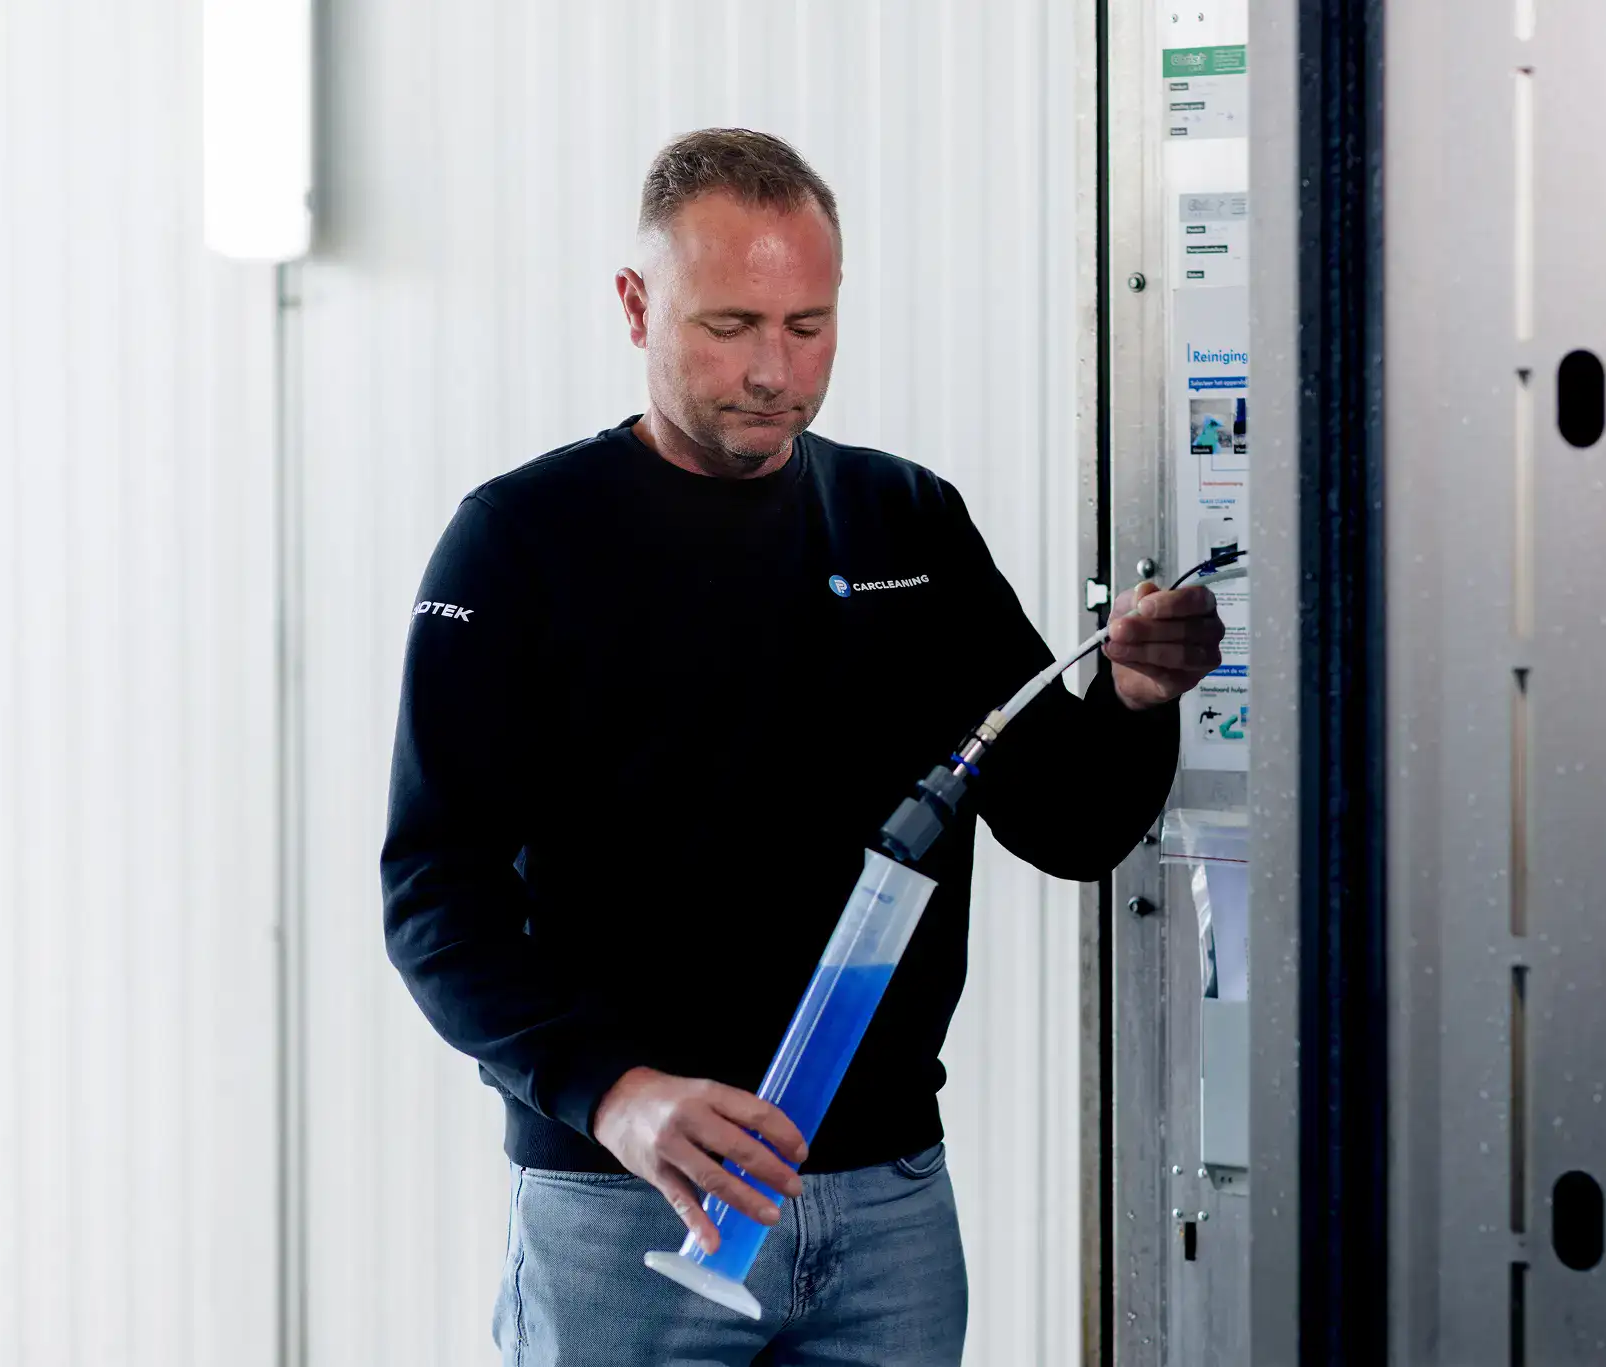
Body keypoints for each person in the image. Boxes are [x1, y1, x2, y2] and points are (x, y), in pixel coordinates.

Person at [381, 128, 1225, 1367]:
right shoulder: (518, 541)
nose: (773, 370)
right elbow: (432, 896)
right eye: (729, 325)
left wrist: (1137, 698)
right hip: (629, 1205)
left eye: (807, 325)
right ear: (636, 305)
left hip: (884, 1210)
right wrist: (613, 1093)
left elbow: (1067, 822)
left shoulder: (903, 520)